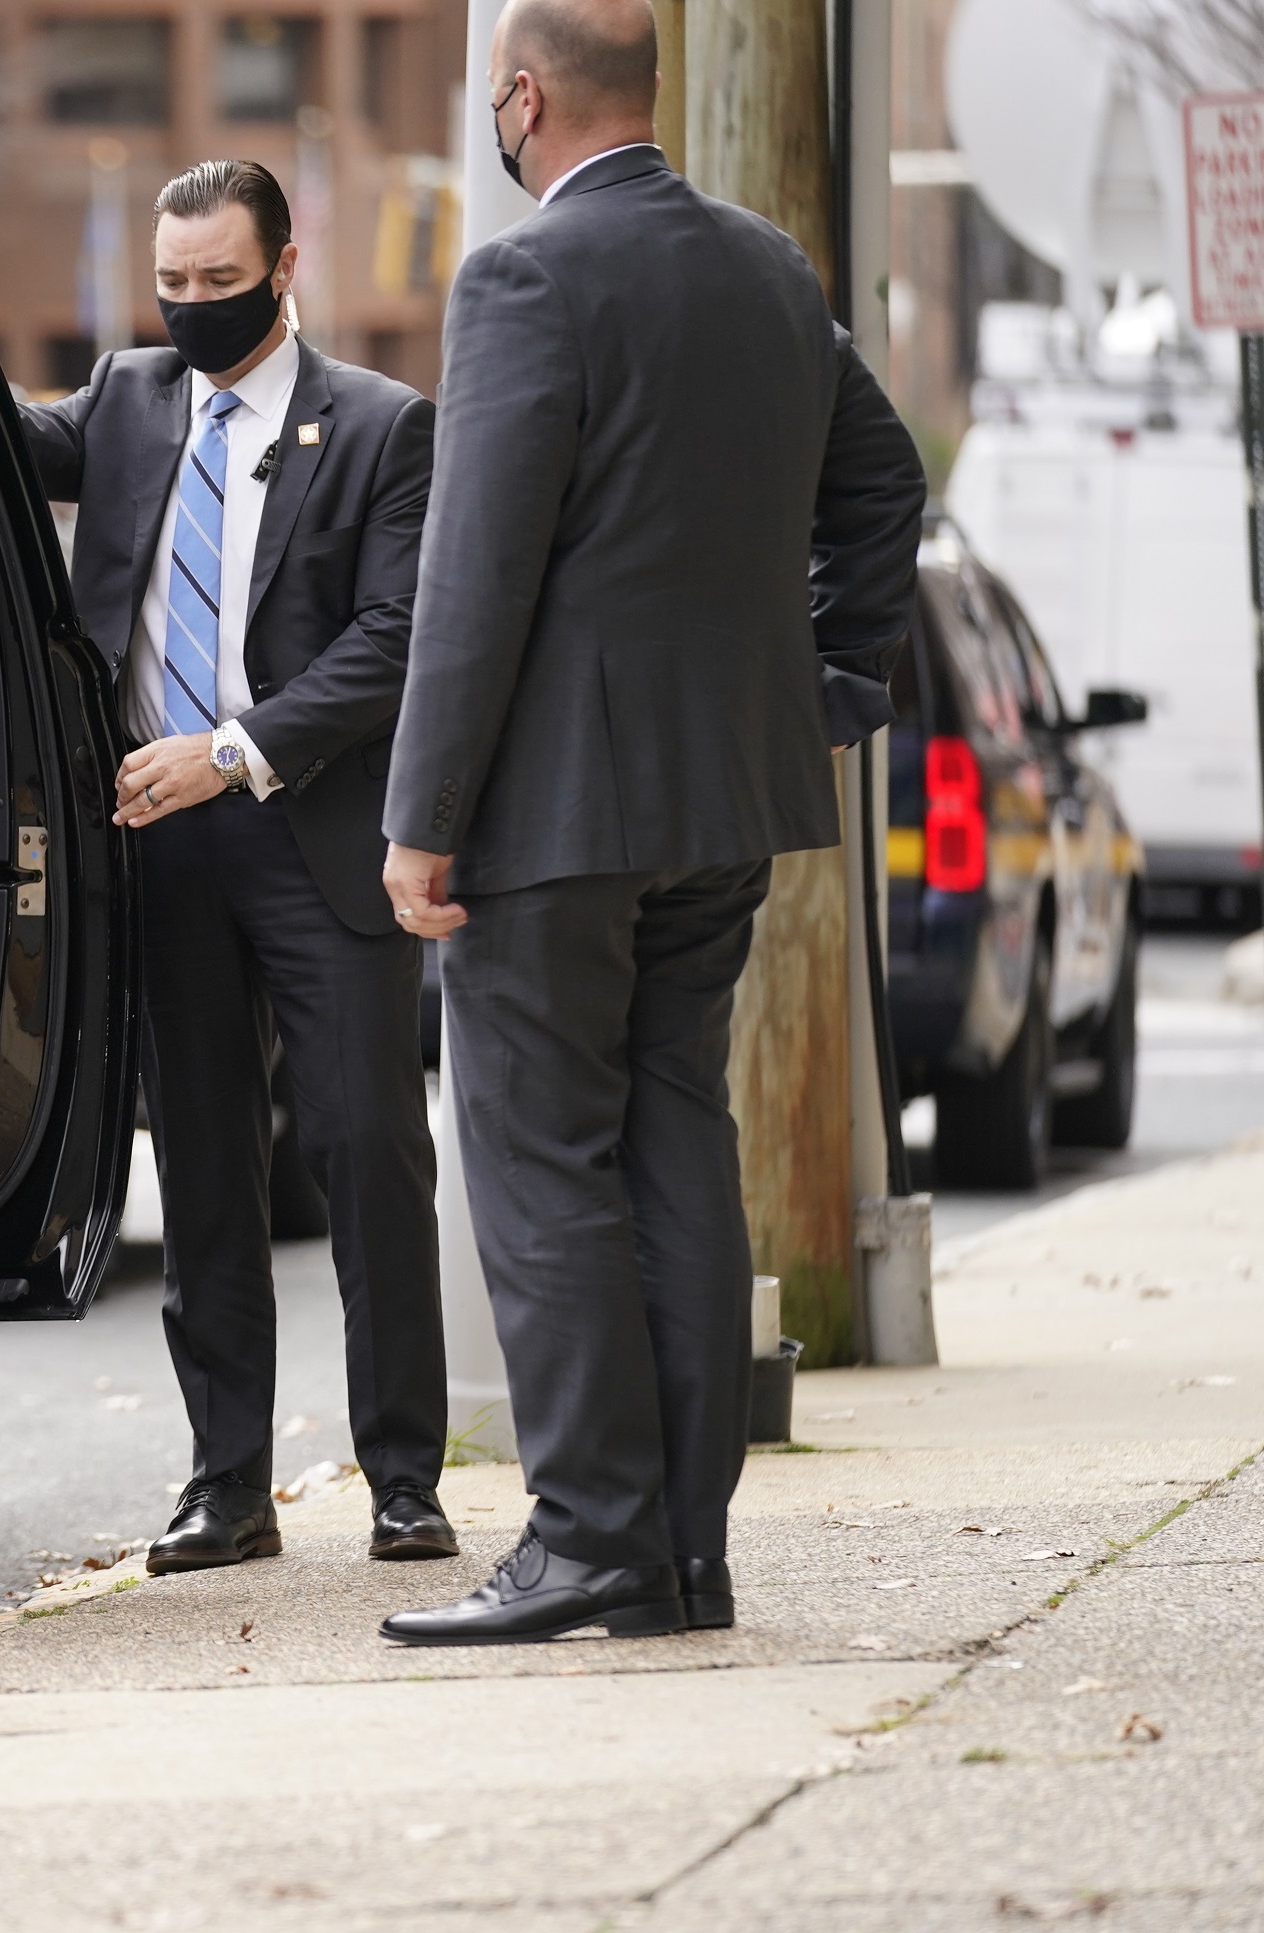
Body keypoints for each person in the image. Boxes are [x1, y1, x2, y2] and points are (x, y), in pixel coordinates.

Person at [375, 0, 925, 1646]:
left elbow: (476, 574)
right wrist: (826, 675)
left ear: (521, 96)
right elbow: (883, 484)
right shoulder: (768, 266)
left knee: (541, 1160)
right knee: (677, 1133)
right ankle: (682, 1551)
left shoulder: (525, 276)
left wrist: (422, 816)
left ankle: (591, 1537)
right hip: (723, 795)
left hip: (552, 810)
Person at [0, 161, 457, 1576]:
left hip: (312, 831)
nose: (193, 307)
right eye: (173, 285)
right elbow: (2, 447)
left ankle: (403, 1478)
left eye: (220, 282)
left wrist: (238, 748)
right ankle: (227, 1483)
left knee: (365, 1156)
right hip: (153, 843)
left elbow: (391, 638)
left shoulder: (384, 428)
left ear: (284, 265)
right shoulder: (135, 399)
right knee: (200, 1166)